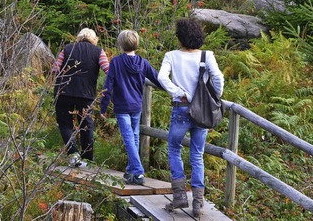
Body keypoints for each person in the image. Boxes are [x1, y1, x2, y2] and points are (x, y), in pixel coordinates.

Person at [157, 18, 224, 218]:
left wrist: (178, 92)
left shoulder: (171, 56)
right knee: (197, 155)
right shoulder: (207, 55)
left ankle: (179, 196)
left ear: (180, 37)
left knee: (174, 149)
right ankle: (198, 204)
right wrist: (214, 97)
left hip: (181, 108)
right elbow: (218, 78)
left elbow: (161, 78)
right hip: (201, 110)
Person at [99, 29, 161, 185]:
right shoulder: (143, 63)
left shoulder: (116, 62)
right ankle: (131, 172)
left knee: (128, 138)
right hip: (136, 105)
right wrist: (174, 90)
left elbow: (109, 85)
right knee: (133, 137)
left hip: (122, 105)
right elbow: (158, 79)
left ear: (120, 44)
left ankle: (138, 172)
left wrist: (103, 107)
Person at [52, 27, 110, 167]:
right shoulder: (98, 52)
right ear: (94, 39)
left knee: (65, 124)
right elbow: (108, 70)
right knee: (86, 125)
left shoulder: (67, 49)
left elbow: (55, 69)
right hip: (86, 94)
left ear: (78, 37)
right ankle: (87, 159)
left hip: (63, 92)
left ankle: (73, 155)